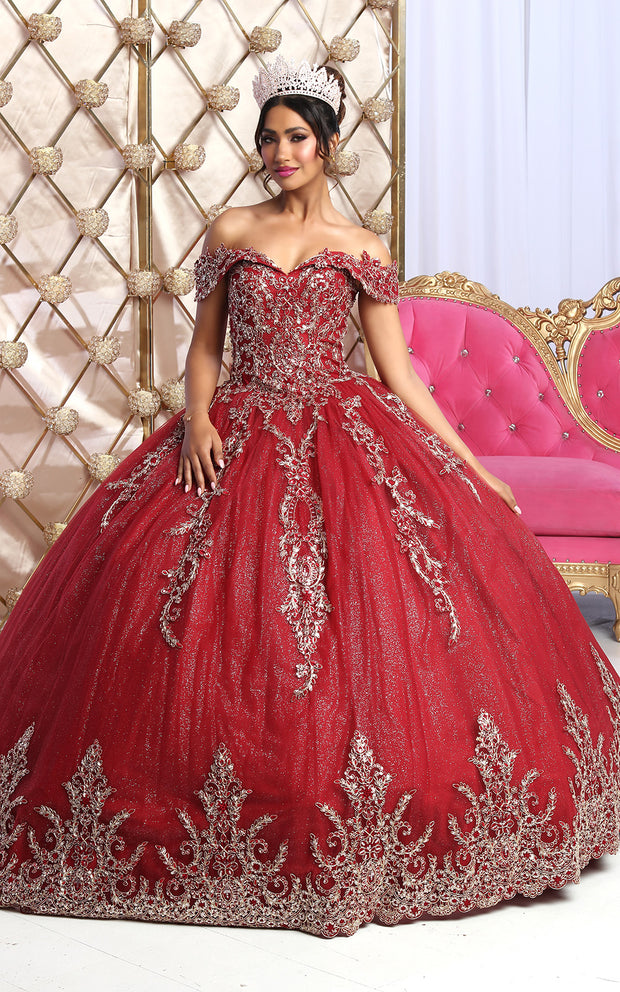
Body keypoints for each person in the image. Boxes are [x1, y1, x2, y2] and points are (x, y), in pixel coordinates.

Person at [0, 57, 618, 939]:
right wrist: (199, 419)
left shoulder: (362, 249)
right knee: (184, 612)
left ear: (328, 144)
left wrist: (475, 470)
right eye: (268, 139)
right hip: (237, 430)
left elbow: (399, 375)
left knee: (369, 620)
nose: (279, 153)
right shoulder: (231, 230)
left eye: (296, 137)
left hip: (343, 432)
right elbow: (205, 347)